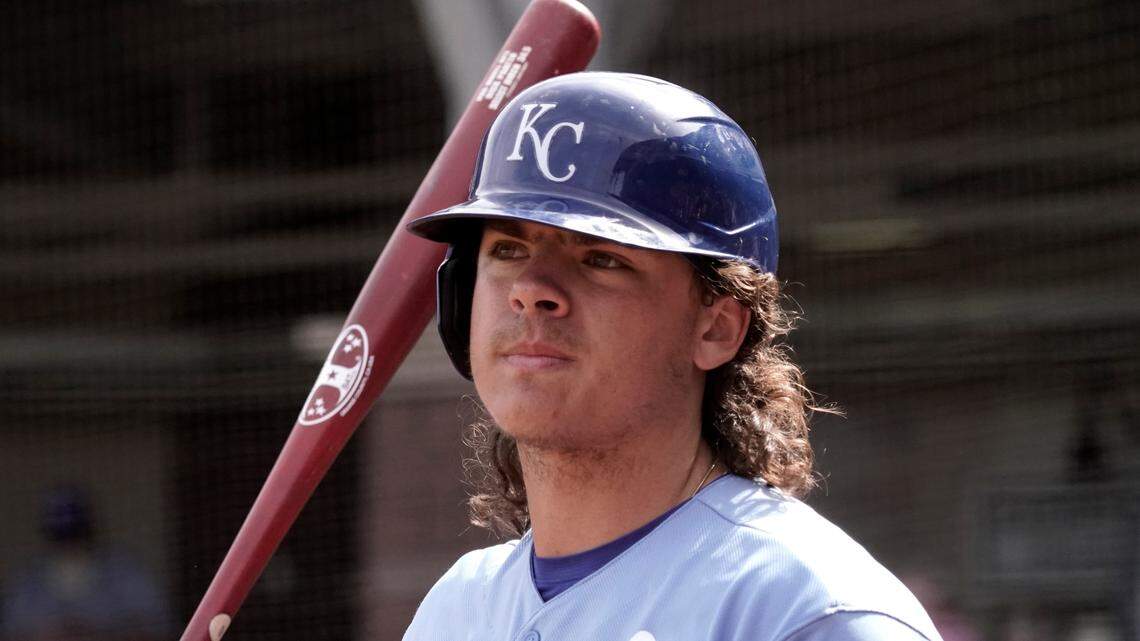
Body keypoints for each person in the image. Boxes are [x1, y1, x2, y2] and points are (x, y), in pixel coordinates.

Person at [402, 72, 942, 641]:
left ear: (715, 328)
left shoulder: (806, 612)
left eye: (601, 258)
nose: (532, 287)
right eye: (508, 249)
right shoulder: (457, 611)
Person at [1, 485, 169, 641]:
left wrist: (99, 633)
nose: (70, 547)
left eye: (75, 536)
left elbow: (158, 629)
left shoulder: (123, 572)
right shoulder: (28, 582)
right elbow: (11, 633)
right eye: (62, 538)